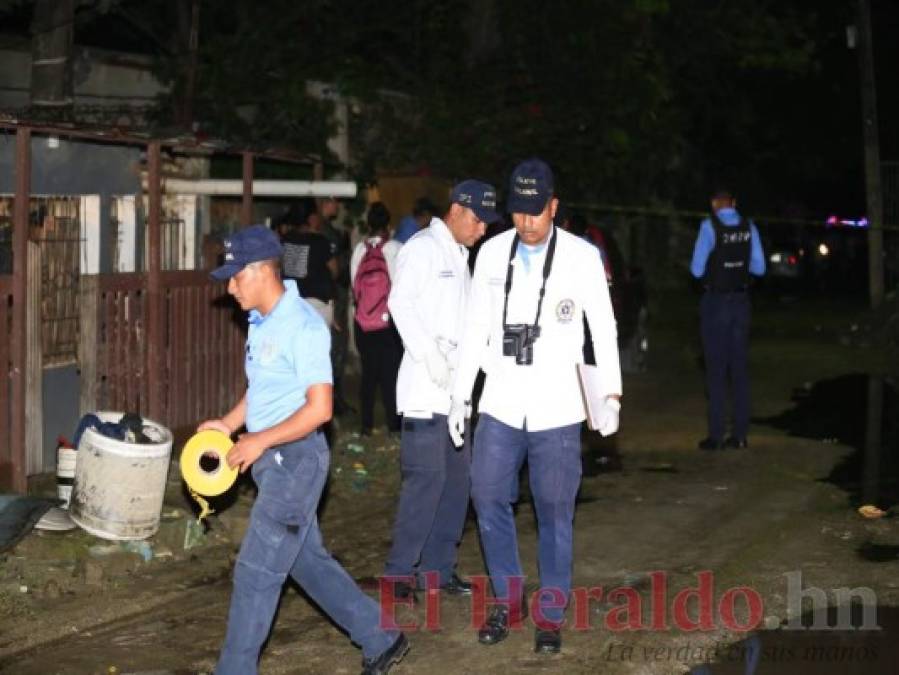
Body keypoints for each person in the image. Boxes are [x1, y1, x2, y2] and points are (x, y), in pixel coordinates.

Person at [200, 225, 408, 675]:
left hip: (295, 462)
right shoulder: (263, 321)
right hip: (274, 463)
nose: (230, 287)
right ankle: (381, 635)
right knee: (306, 564)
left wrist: (258, 439)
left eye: (236, 276)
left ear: (260, 272)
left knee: (256, 574)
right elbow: (264, 389)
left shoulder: (303, 326)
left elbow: (320, 410)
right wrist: (230, 424)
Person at [448, 159, 623, 654]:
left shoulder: (582, 258)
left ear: (554, 207)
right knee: (486, 496)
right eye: (518, 213)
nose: (526, 224)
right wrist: (462, 392)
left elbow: (603, 328)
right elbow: (476, 328)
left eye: (535, 213)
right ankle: (507, 597)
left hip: (558, 407)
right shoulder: (490, 253)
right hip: (501, 401)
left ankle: (550, 614)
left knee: (554, 510)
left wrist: (609, 392)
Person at [383, 180, 499, 600]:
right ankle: (399, 574)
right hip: (424, 390)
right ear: (458, 210)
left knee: (457, 485)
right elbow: (400, 303)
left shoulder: (461, 256)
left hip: (456, 395)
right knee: (424, 485)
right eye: (479, 221)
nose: (483, 230)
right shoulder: (422, 248)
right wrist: (428, 353)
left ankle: (437, 570)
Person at [690, 189, 766, 450]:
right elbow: (760, 268)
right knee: (739, 370)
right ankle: (741, 435)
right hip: (741, 303)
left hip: (716, 303)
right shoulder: (749, 227)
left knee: (716, 370)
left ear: (714, 205)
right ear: (734, 203)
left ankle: (716, 436)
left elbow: (696, 269)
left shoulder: (709, 227)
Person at [350, 202, 403, 436]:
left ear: (369, 225)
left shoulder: (359, 251)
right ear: (389, 226)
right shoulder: (396, 248)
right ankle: (393, 424)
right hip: (389, 321)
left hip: (363, 321)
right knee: (391, 374)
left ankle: (366, 425)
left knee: (369, 374)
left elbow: (354, 286)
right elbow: (403, 287)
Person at [319, 196, 355, 415]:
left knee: (337, 349)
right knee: (333, 350)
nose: (337, 206)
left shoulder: (330, 231)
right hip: (330, 298)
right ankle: (331, 401)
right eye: (333, 201)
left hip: (334, 297)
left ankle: (335, 399)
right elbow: (333, 270)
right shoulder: (324, 234)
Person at [281, 208, 338, 326]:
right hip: (317, 301)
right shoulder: (320, 241)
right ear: (311, 219)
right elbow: (334, 270)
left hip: (292, 301)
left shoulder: (285, 240)